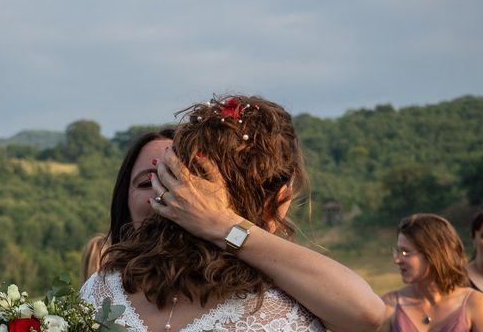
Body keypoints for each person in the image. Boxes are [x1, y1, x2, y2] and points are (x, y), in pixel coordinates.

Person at [82, 95, 384, 331]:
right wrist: (225, 225)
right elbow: (368, 314)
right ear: (282, 196)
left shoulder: (103, 289)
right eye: (150, 181)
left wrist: (220, 224)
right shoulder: (104, 287)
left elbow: (368, 313)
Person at [380, 213, 483, 332]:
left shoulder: (476, 303)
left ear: (434, 255)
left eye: (406, 252)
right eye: (398, 251)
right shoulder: (389, 305)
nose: (397, 260)